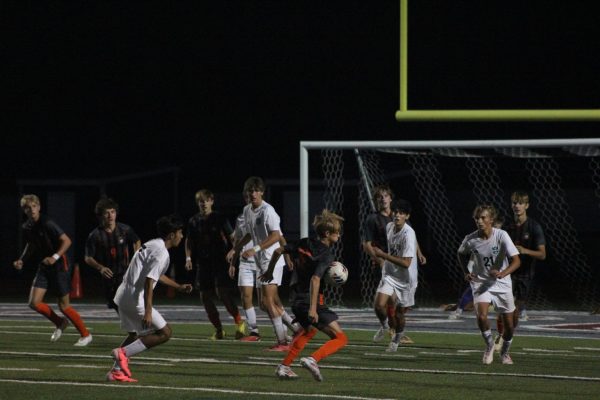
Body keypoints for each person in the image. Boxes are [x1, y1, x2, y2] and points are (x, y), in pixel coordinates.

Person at [260, 209, 348, 381]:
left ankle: (284, 367)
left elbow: (278, 251)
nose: (339, 234)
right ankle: (313, 359)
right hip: (310, 301)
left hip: (296, 300)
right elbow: (315, 279)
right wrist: (314, 309)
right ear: (328, 234)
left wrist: (269, 272)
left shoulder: (303, 243)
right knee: (341, 338)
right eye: (337, 232)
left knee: (308, 331)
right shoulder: (326, 255)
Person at [107, 214, 193, 382]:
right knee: (165, 333)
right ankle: (122, 353)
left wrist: (178, 286)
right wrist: (147, 310)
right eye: (180, 233)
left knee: (133, 335)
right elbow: (149, 282)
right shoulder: (161, 253)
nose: (182, 236)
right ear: (171, 235)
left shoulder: (153, 244)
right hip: (135, 298)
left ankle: (116, 372)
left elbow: (155, 275)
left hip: (123, 294)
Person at [230, 176, 300, 351]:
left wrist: (255, 249)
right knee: (264, 303)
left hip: (272, 260)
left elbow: (276, 235)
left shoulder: (268, 210)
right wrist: (237, 248)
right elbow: (249, 234)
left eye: (256, 190)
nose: (253, 194)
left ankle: (283, 342)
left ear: (262, 192)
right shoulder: (247, 210)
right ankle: (298, 329)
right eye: (250, 191)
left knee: (269, 301)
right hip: (262, 261)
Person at [12, 194, 92, 346]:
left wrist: (54, 257)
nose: (32, 210)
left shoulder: (47, 222)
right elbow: (31, 244)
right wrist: (22, 259)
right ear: (24, 211)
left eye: (34, 206)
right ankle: (60, 322)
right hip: (44, 266)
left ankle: (86, 334)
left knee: (64, 306)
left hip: (60, 265)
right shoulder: (27, 226)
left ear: (39, 207)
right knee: (34, 303)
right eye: (28, 208)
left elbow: (67, 240)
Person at [457, 204, 521, 365]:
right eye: (477, 218)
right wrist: (466, 271)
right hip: (481, 282)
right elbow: (460, 254)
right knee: (481, 316)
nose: (479, 221)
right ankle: (489, 345)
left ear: (491, 219)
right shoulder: (470, 239)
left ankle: (505, 352)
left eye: (483, 217)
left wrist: (503, 273)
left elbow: (516, 261)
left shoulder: (502, 235)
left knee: (509, 325)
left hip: (502, 283)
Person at [363, 185, 425, 344]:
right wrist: (379, 260)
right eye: (379, 197)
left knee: (396, 303)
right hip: (386, 264)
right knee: (389, 300)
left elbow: (411, 236)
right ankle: (392, 330)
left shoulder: (399, 215)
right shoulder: (373, 219)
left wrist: (419, 253)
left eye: (385, 196)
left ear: (390, 198)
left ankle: (394, 329)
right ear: (376, 201)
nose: (382, 199)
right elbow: (367, 244)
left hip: (400, 264)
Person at [184, 189, 245, 340]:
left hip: (219, 261)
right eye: (201, 201)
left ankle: (240, 324)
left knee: (222, 293)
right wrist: (188, 258)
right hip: (203, 263)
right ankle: (219, 330)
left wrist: (233, 253)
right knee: (204, 296)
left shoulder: (219, 218)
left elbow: (233, 237)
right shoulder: (193, 221)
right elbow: (189, 241)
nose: (203, 203)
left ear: (212, 201)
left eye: (206, 200)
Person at [494, 191, 545, 351]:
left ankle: (506, 335)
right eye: (514, 203)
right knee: (503, 307)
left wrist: (525, 250)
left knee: (515, 310)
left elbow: (542, 254)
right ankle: (500, 335)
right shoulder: (507, 226)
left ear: (527, 206)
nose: (517, 206)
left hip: (525, 274)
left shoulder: (534, 226)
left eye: (520, 203)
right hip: (507, 272)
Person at [371, 199, 418, 352]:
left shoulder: (408, 234)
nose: (397, 215)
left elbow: (406, 263)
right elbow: (391, 249)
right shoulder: (389, 226)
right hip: (391, 273)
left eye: (401, 213)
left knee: (399, 314)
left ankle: (397, 338)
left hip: (406, 279)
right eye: (396, 212)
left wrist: (383, 255)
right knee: (378, 305)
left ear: (407, 216)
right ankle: (385, 327)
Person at [84, 197, 141, 314]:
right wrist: (101, 268)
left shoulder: (125, 229)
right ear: (100, 215)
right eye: (106, 213)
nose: (110, 215)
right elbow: (88, 257)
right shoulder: (95, 235)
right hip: (108, 275)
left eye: (113, 212)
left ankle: (135, 327)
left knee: (124, 301)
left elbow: (136, 241)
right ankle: (132, 327)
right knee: (114, 303)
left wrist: (136, 256)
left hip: (125, 272)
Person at [449, 215, 504, 320]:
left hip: (492, 270)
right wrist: (469, 268)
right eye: (495, 226)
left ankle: (505, 312)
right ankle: (459, 310)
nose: (497, 229)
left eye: (499, 227)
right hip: (477, 267)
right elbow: (472, 253)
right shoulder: (479, 236)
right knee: (473, 289)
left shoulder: (500, 237)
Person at [226, 192, 261, 341]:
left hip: (261, 261)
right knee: (245, 297)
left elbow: (275, 235)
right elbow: (238, 240)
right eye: (246, 197)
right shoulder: (241, 218)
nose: (249, 200)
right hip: (245, 262)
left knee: (267, 302)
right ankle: (254, 332)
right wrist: (233, 261)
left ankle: (290, 329)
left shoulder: (264, 213)